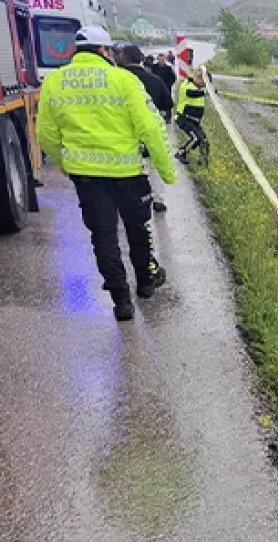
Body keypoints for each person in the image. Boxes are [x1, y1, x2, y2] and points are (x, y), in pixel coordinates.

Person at [37, 26, 177, 321]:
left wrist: (66, 164)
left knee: (103, 235)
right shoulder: (122, 79)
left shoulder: (54, 82)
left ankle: (121, 301)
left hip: (86, 177)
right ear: (105, 51)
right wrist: (166, 172)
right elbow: (148, 128)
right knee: (138, 229)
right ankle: (145, 284)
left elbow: (46, 135)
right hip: (127, 173)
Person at [119, 44, 174, 213]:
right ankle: (157, 199)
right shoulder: (154, 80)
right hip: (151, 131)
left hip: (124, 134)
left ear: (126, 58)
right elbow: (168, 103)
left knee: (132, 169)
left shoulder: (117, 80)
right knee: (154, 166)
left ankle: (129, 199)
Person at [174, 73, 207, 164]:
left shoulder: (198, 87)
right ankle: (180, 153)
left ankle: (202, 161)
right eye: (204, 81)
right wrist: (204, 92)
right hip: (184, 118)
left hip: (194, 121)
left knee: (203, 138)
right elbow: (191, 93)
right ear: (197, 78)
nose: (205, 84)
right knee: (196, 138)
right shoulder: (187, 84)